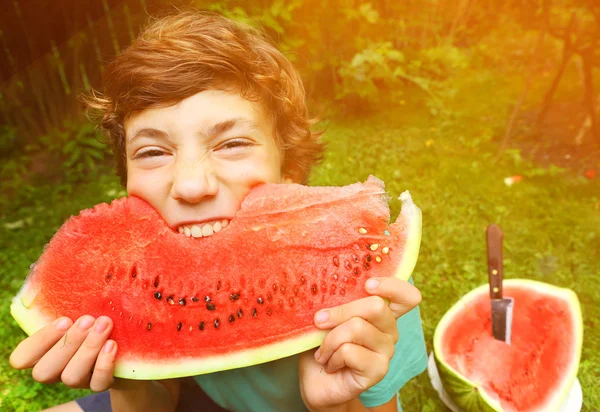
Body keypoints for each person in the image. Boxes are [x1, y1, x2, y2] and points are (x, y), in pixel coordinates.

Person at [10, 9, 427, 412]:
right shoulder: (142, 281)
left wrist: (337, 404)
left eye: (232, 144)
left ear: (291, 170)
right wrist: (130, 380)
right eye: (153, 151)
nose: (192, 185)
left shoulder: (369, 293)